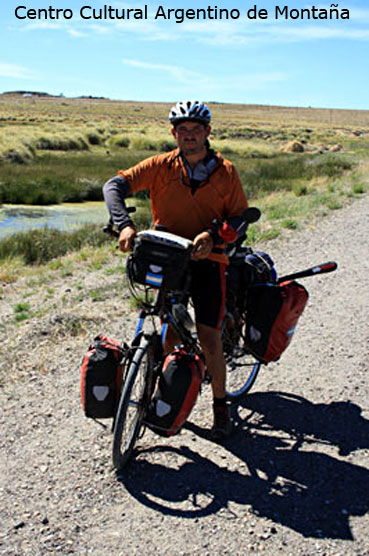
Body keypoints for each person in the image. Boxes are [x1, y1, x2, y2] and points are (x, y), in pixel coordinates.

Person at [103, 100, 248, 439]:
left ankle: (220, 405)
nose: (189, 136)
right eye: (182, 130)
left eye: (196, 130)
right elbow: (114, 186)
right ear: (174, 133)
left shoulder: (225, 172)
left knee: (209, 336)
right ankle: (165, 393)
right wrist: (123, 224)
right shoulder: (160, 166)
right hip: (168, 259)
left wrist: (213, 236)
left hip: (209, 261)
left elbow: (239, 218)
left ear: (207, 133)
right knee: (168, 330)